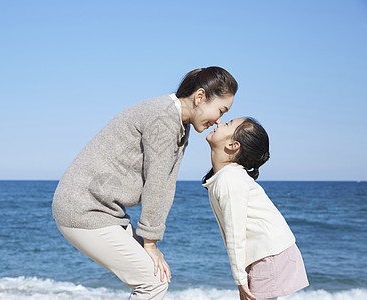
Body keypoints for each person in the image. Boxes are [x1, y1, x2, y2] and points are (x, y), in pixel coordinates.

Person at [52, 67, 238, 299]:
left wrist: (150, 239)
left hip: (104, 211)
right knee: (153, 283)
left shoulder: (179, 122)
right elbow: (156, 184)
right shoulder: (164, 119)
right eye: (220, 110)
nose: (219, 121)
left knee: (156, 278)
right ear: (200, 97)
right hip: (82, 209)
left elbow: (167, 184)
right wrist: (149, 243)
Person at [202, 118, 309, 300]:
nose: (218, 122)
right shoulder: (226, 176)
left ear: (233, 145)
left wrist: (240, 280)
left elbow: (236, 234)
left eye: (226, 124)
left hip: (269, 256)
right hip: (269, 253)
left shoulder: (229, 179)